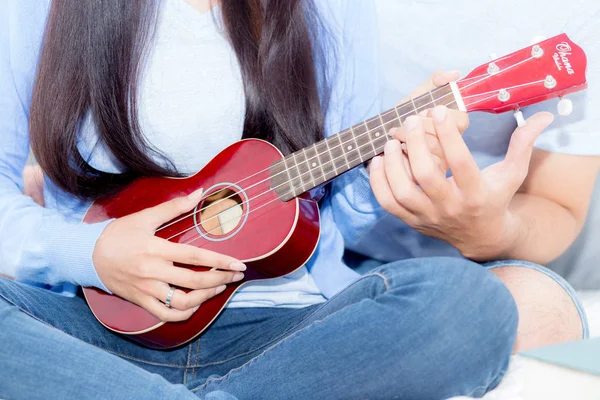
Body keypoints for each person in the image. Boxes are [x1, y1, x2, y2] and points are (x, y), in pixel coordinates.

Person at [1, 0, 561, 398]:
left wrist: (388, 167)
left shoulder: (329, 8)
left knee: (471, 303)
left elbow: (331, 217)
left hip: (285, 337)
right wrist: (91, 250)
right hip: (92, 326)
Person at [340, 0, 600, 353]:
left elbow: (557, 204)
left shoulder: (578, 16)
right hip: (311, 235)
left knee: (544, 315)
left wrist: (490, 232)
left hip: (462, 263)